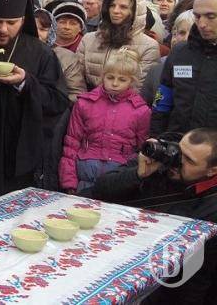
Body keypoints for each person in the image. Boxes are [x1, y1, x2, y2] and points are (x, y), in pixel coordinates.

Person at [92, 128, 217, 304]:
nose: (177, 160)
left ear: (212, 171)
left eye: (189, 160)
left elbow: (197, 279)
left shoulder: (211, 207)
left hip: (156, 283)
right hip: (113, 254)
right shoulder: (159, 159)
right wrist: (138, 175)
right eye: (179, 151)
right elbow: (100, 190)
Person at [0, 0, 69, 201]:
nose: (3, 29)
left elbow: (58, 100)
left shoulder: (41, 53)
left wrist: (25, 82)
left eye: (11, 22)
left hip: (15, 152)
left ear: (24, 19)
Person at [59, 49, 150, 195]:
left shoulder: (141, 111)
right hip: (85, 174)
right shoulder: (85, 103)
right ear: (103, 76)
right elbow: (71, 143)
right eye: (110, 77)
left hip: (119, 180)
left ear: (132, 81)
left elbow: (143, 150)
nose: (115, 83)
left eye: (122, 79)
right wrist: (69, 181)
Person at [151, 0, 217, 137]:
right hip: (177, 143)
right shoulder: (180, 53)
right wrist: (155, 138)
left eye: (210, 16)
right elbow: (162, 104)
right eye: (197, 16)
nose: (202, 24)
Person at [78, 0, 160, 88]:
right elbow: (78, 80)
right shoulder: (88, 39)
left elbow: (140, 86)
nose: (115, 11)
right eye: (112, 5)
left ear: (135, 11)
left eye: (123, 7)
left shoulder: (149, 46)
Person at [141, 10, 195, 105]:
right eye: (181, 33)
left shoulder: (209, 70)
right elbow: (145, 108)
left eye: (193, 34)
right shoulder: (156, 70)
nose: (186, 38)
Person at [35, 7, 87, 102]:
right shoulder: (14, 51)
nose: (37, 33)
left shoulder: (67, 58)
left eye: (43, 29)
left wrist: (57, 105)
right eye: (33, 28)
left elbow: (77, 93)